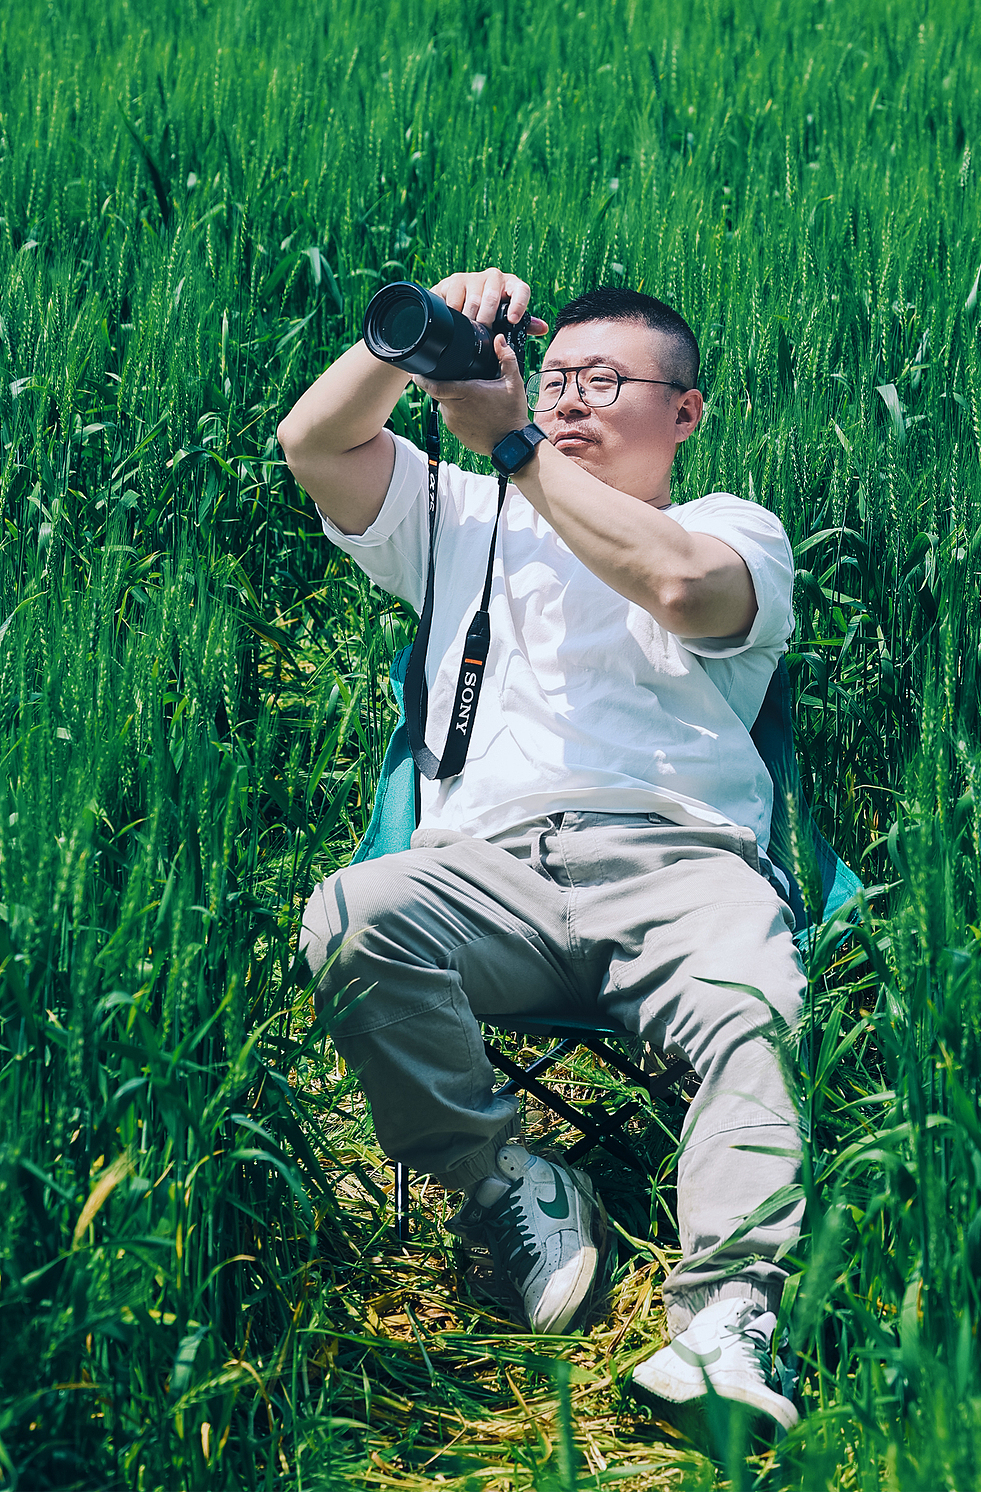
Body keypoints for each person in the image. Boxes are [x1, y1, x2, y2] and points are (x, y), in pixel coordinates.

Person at [277, 267, 804, 1430]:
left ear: (684, 412)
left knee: (755, 1004)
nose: (567, 398)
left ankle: (724, 1321)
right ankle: (505, 1184)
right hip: (491, 873)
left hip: (682, 868)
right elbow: (313, 444)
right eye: (552, 376)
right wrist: (417, 340)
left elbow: (681, 586)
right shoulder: (459, 518)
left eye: (602, 381)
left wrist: (516, 444)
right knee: (351, 915)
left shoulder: (732, 528)